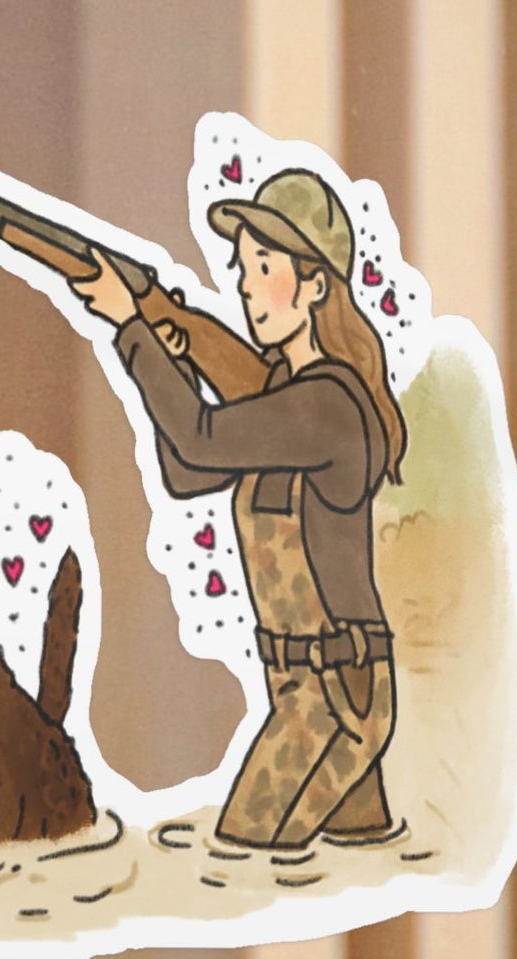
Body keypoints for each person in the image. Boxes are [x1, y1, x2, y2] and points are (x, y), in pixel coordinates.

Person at [68, 168, 407, 848]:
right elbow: (187, 470)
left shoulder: (328, 405)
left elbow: (199, 436)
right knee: (355, 869)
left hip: (334, 701)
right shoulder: (284, 395)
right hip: (307, 690)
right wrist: (174, 357)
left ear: (315, 286)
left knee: (239, 853)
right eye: (243, 266)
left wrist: (132, 327)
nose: (246, 284)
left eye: (264, 266)